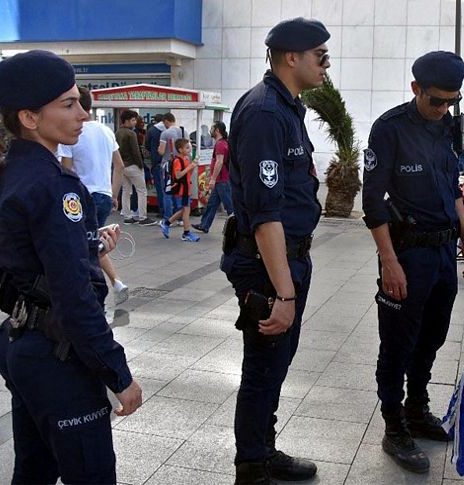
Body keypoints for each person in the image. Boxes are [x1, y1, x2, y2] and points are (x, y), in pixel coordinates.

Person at [0, 49, 142, 483]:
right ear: (30, 118)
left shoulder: (1, 172)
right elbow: (75, 297)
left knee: (33, 471)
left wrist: (80, 245)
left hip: (19, 345)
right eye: (68, 104)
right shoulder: (54, 185)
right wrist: (118, 373)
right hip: (57, 355)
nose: (83, 114)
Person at [222, 17, 331, 485]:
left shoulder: (288, 107)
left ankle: (262, 448)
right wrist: (284, 293)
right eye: (320, 56)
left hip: (287, 259)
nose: (327, 65)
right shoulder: (266, 112)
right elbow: (266, 213)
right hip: (270, 263)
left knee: (276, 360)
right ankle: (252, 464)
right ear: (292, 57)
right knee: (265, 363)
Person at [363, 50, 464, 474]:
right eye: (437, 100)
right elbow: (372, 203)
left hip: (442, 252)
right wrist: (388, 261)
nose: (444, 108)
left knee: (432, 337)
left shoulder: (450, 129)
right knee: (397, 342)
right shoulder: (389, 129)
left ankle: (417, 408)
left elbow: (453, 190)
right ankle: (394, 426)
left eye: (452, 100)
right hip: (406, 253)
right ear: (415, 89)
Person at [59, 86, 131, 305]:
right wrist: (114, 193)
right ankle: (116, 282)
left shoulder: (71, 133)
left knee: (85, 247)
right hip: (103, 195)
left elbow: (67, 173)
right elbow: (119, 166)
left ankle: (94, 291)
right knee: (93, 244)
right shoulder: (106, 131)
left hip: (79, 198)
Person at [116, 109, 155, 226]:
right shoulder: (131, 134)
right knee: (142, 191)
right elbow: (136, 151)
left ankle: (127, 216)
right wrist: (141, 166)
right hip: (133, 165)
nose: (134, 122)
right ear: (127, 121)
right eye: (133, 120)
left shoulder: (117, 133)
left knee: (126, 191)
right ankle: (143, 217)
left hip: (122, 166)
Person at [193, 121, 233, 234]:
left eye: (212, 128)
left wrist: (213, 179)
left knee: (230, 206)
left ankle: (238, 227)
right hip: (222, 180)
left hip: (222, 180)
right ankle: (204, 225)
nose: (210, 130)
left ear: (217, 130)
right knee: (212, 204)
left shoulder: (220, 144)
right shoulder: (224, 142)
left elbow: (219, 162)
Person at [159, 139, 200, 242]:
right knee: (186, 210)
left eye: (189, 146)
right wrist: (190, 166)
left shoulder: (186, 159)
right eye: (187, 147)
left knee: (184, 210)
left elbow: (187, 174)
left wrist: (193, 166)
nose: (189, 149)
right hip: (182, 189)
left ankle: (167, 223)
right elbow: (178, 175)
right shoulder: (178, 160)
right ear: (180, 149)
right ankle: (186, 233)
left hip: (187, 188)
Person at [146, 113, 167, 217]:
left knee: (160, 187)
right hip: (169, 163)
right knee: (169, 187)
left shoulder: (152, 131)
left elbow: (147, 146)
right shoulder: (171, 129)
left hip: (156, 161)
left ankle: (162, 210)